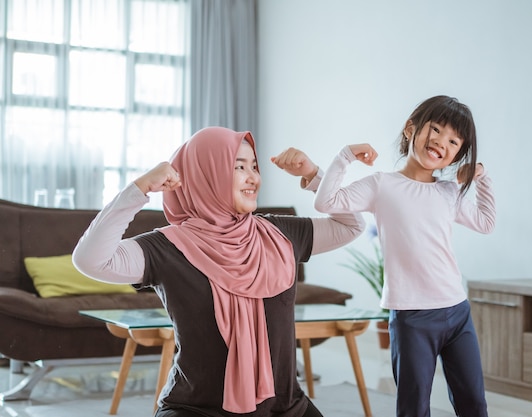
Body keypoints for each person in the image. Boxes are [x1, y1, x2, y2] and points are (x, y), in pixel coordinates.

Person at [72, 126, 365, 417]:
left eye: (254, 166)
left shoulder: (279, 233)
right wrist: (139, 189)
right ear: (206, 174)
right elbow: (91, 259)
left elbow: (351, 225)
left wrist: (313, 175)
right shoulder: (168, 247)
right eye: (239, 167)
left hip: (286, 408)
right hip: (197, 410)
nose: (254, 178)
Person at [313, 95, 496, 417]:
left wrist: (480, 177)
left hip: (457, 311)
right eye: (435, 130)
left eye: (453, 141)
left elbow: (486, 222)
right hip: (412, 317)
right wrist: (344, 157)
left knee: (474, 403)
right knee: (413, 407)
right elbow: (326, 202)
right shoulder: (382, 185)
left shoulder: (448, 191)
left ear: (458, 153)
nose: (441, 142)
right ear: (411, 129)